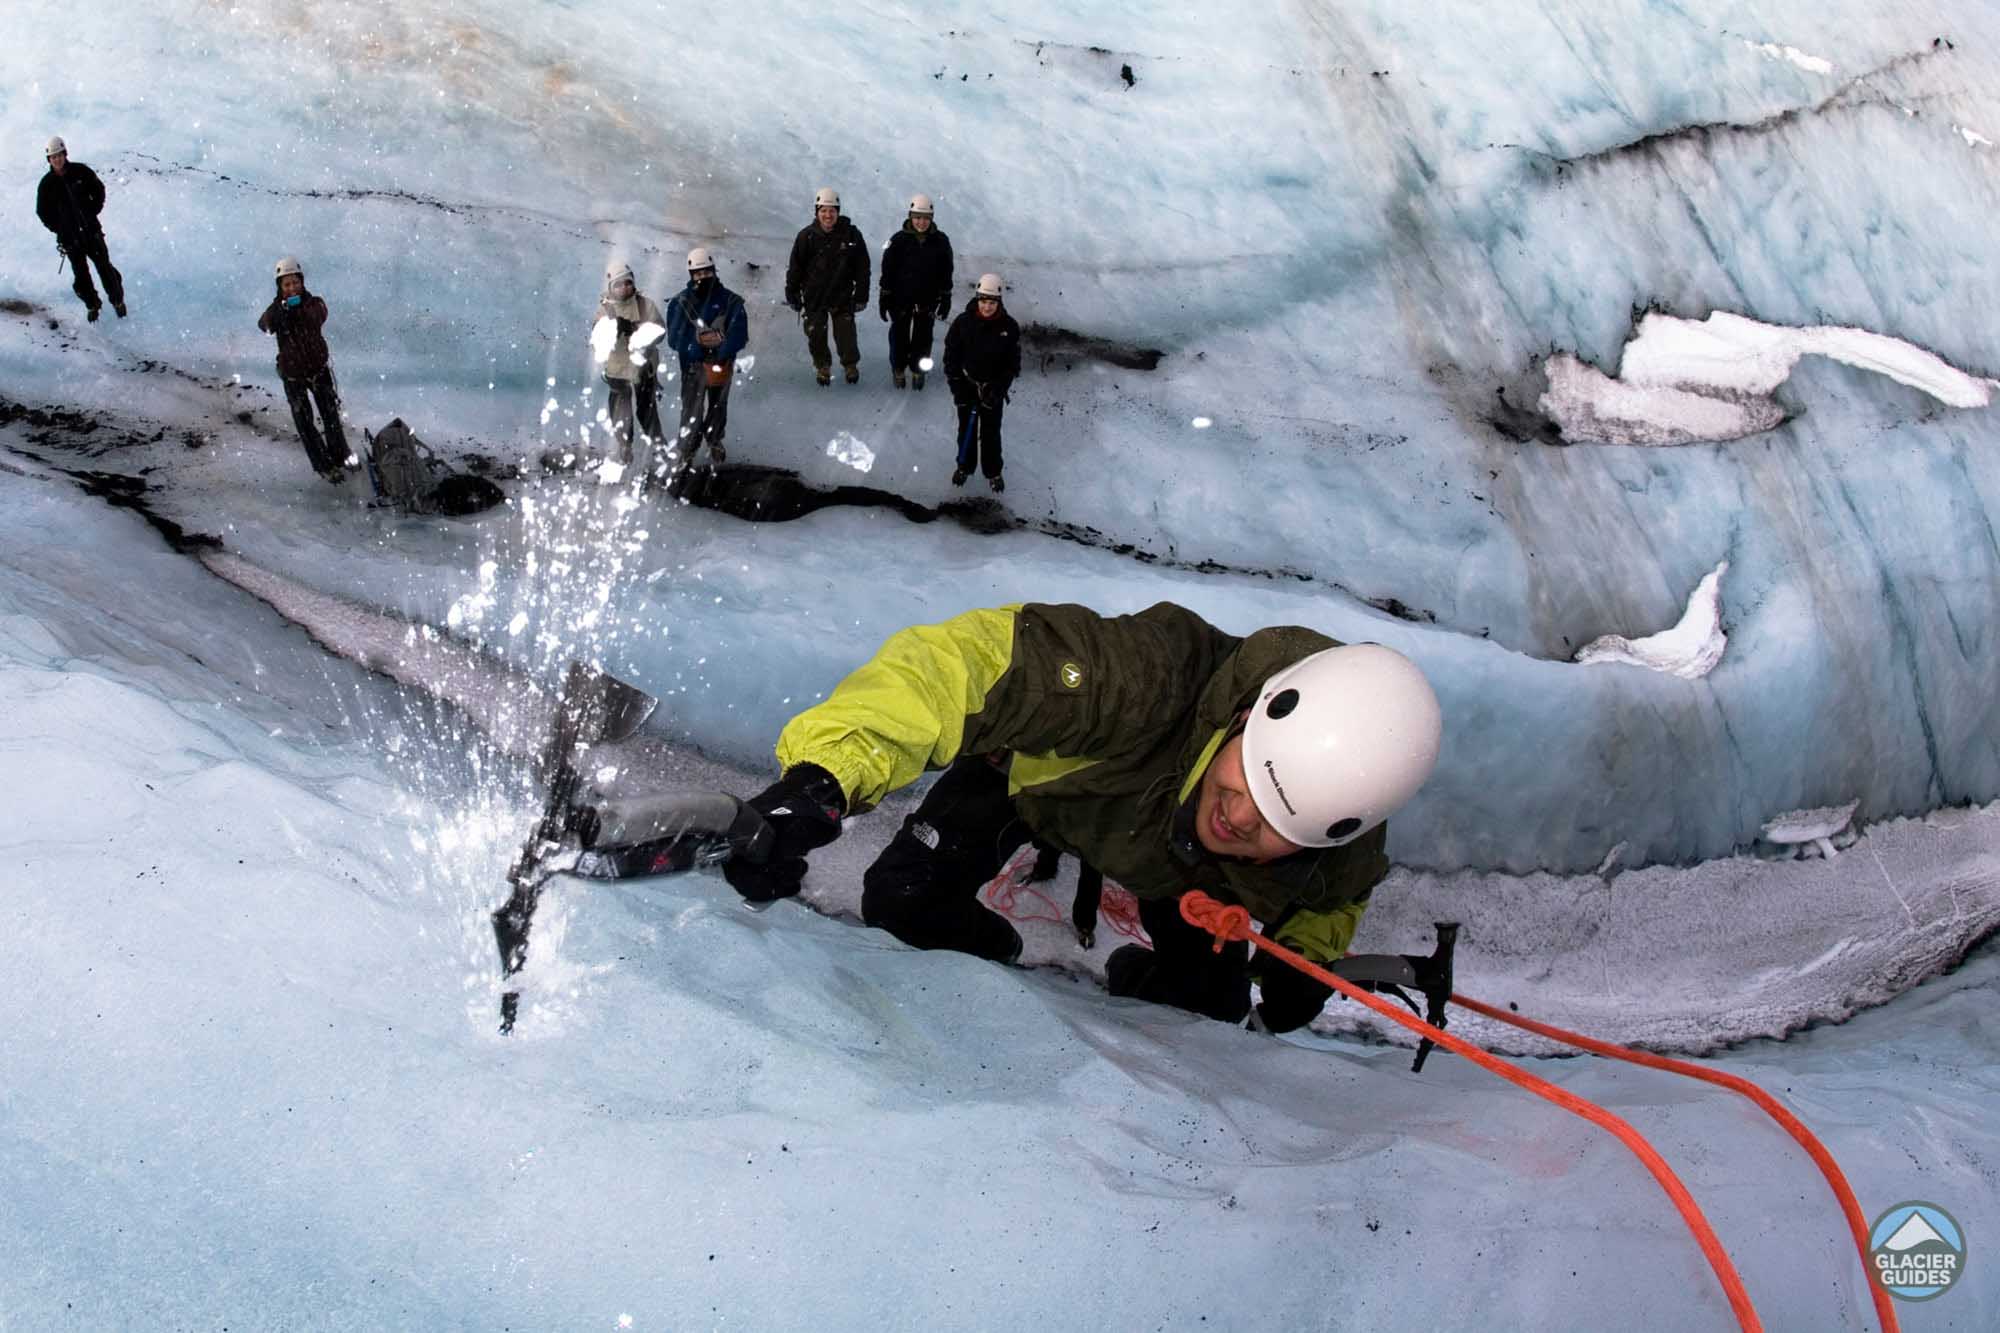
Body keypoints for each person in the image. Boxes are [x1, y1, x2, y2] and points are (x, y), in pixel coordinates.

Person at [721, 602, 1442, 1034]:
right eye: (1248, 772)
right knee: (901, 898)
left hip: (1180, 874)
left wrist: (1307, 961)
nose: (1237, 814)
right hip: (1040, 787)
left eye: (1274, 826)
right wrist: (829, 775)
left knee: (1207, 1016)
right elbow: (969, 665)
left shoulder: (1338, 835)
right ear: (1248, 715)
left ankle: (1133, 978)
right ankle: (995, 959)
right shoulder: (1148, 680)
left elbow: (1339, 893)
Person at [256, 255, 348, 482]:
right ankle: (324, 466)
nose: (292, 287)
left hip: (318, 370)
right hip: (293, 376)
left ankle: (341, 457)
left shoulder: (313, 303)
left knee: (330, 416)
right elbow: (264, 325)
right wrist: (281, 312)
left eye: (295, 282)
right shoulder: (277, 309)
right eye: (287, 284)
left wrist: (296, 311)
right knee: (305, 423)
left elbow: (319, 315)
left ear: (302, 281)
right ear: (280, 287)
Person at [664, 247, 748, 475]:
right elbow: (674, 338)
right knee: (691, 409)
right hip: (693, 366)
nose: (703, 276)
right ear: (691, 274)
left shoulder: (731, 301)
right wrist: (697, 350)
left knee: (718, 407)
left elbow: (740, 333)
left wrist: (722, 353)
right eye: (698, 273)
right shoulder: (679, 303)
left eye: (706, 271)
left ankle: (714, 441)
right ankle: (687, 451)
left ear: (714, 270)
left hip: (722, 364)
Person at [941, 273, 1020, 493]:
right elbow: (951, 355)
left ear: (999, 302)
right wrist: (957, 385)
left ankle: (993, 472)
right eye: (984, 301)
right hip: (967, 384)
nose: (987, 307)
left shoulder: (1009, 327)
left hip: (992, 388)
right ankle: (964, 466)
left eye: (992, 302)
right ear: (977, 299)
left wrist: (998, 389)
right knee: (965, 429)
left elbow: (1012, 364)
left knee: (991, 433)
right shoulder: (963, 323)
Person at [784, 187, 870, 386]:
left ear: (838, 212)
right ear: (817, 212)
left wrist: (861, 294)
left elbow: (862, 267)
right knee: (815, 333)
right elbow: (796, 267)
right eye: (823, 210)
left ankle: (850, 365)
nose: (828, 215)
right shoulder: (806, 237)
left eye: (832, 210)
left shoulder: (851, 235)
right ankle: (822, 365)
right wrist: (792, 291)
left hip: (842, 295)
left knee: (846, 334)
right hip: (814, 296)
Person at [36, 136, 126, 322]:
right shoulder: (47, 185)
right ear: (49, 160)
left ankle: (117, 301)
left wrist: (92, 212)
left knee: (105, 269)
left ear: (65, 154)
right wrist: (60, 229)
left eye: (59, 155)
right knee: (81, 276)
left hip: (91, 233)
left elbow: (98, 190)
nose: (57, 159)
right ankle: (92, 305)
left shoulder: (81, 172)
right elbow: (42, 212)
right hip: (70, 239)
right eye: (53, 157)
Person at [593, 260, 666, 465]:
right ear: (610, 288)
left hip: (643, 368)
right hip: (617, 369)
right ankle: (625, 446)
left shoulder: (645, 305)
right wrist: (611, 329)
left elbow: (660, 332)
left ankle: (659, 445)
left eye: (627, 282)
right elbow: (597, 339)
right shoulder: (604, 311)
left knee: (647, 409)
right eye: (618, 284)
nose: (624, 287)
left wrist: (636, 329)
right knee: (619, 410)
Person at [878, 193, 954, 390]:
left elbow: (947, 270)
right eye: (917, 217)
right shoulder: (898, 240)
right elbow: (887, 269)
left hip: (927, 299)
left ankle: (918, 369)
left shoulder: (941, 241)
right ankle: (898, 368)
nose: (921, 222)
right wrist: (884, 295)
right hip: (900, 298)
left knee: (923, 337)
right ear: (910, 217)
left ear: (932, 219)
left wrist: (946, 295)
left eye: (926, 218)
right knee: (899, 335)